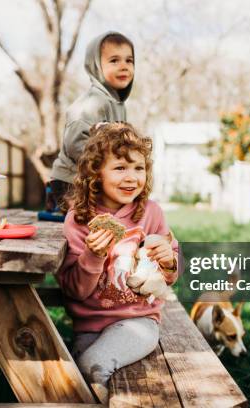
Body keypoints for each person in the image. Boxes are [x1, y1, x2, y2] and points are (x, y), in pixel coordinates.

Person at [56, 122, 178, 404]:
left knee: (89, 367)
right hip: (90, 325)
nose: (131, 177)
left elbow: (170, 274)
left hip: (139, 321)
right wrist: (93, 256)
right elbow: (75, 291)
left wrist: (169, 261)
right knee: (80, 370)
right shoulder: (79, 220)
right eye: (120, 168)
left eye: (139, 168)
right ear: (95, 174)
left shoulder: (151, 212)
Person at [48, 31, 135, 213]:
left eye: (129, 60)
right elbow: (75, 145)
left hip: (95, 180)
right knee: (93, 224)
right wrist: (107, 165)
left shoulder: (118, 104)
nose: (124, 66)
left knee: (125, 216)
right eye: (114, 60)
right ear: (96, 66)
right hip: (71, 182)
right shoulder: (92, 103)